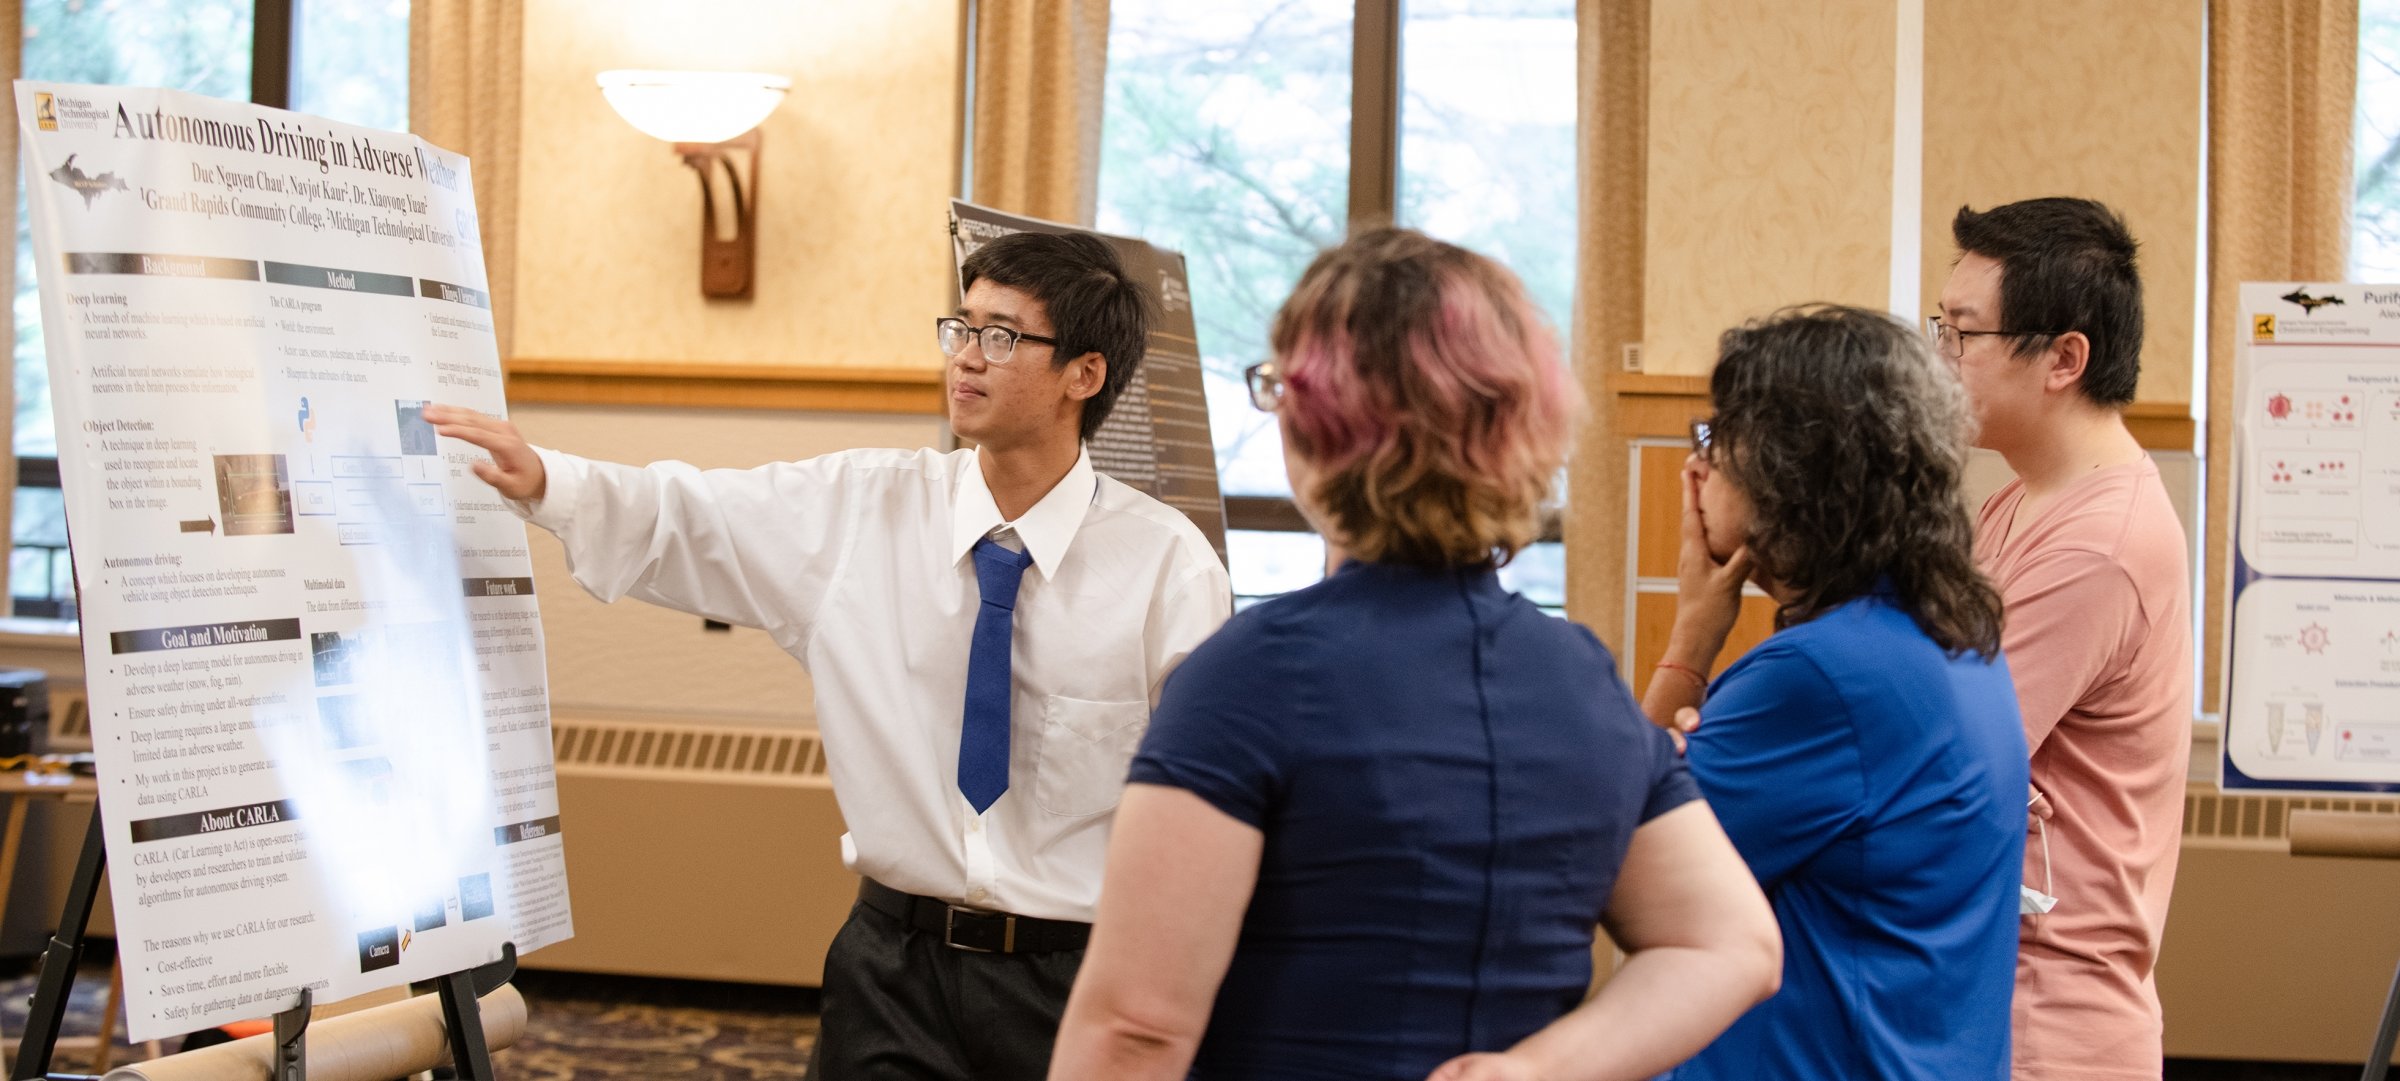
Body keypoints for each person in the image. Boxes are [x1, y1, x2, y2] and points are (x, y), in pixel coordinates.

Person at [428, 230, 1232, 1081]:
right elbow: (693, 513)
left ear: (1085, 374)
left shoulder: (1166, 568)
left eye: (1002, 336)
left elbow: (1207, 808)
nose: (966, 359)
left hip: (1074, 977)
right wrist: (548, 479)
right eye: (959, 329)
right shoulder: (864, 508)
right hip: (893, 969)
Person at [1048, 228, 1782, 1081]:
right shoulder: (1579, 676)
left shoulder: (1254, 675)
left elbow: (1135, 1028)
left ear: (1317, 423)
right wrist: (1535, 1069)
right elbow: (1730, 942)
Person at [1641, 305, 2028, 1080]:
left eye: (1715, 442)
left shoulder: (1821, 678)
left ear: (1789, 480)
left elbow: (1614, 854)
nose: (1696, 469)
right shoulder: (1952, 644)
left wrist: (1688, 641)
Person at [1936, 197, 2193, 1080]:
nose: (1943, 357)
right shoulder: (2022, 496)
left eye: (1962, 333)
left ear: (2064, 358)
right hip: (2003, 997)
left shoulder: (2099, 543)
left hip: (2053, 1021)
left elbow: (1943, 760)